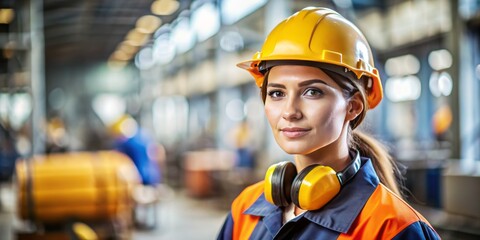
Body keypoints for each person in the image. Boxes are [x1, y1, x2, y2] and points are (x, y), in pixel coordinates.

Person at [217, 7, 440, 239]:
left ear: (353, 106)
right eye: (276, 93)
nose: (290, 112)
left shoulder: (393, 228)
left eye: (312, 92)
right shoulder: (245, 210)